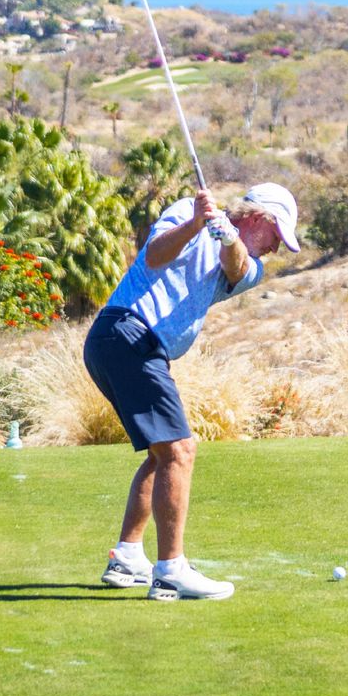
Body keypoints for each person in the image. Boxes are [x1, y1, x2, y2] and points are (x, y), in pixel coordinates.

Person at [84, 182, 300, 600]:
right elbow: (155, 255)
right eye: (276, 237)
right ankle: (170, 572)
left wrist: (227, 235)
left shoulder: (248, 264)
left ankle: (128, 557)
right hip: (127, 333)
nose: (276, 248)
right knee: (180, 451)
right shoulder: (187, 210)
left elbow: (237, 268)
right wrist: (196, 223)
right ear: (260, 218)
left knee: (163, 453)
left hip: (130, 346)